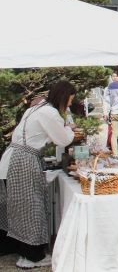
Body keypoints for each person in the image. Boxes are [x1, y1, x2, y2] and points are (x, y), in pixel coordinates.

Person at [0, 82, 78, 269]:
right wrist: (70, 127)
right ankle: (30, 256)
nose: (69, 105)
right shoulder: (50, 113)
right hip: (23, 161)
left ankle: (13, 247)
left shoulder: (38, 107)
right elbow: (63, 139)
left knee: (14, 208)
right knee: (30, 208)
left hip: (11, 159)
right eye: (69, 101)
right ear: (63, 97)